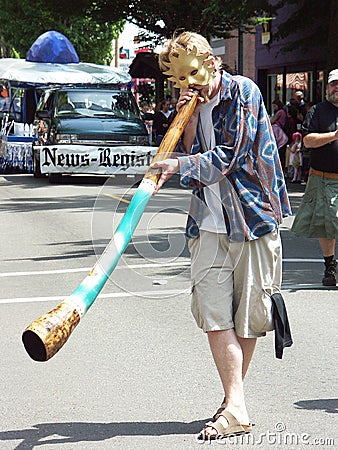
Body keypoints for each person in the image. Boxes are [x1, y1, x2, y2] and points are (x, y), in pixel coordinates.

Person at [150, 31, 292, 440]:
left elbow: (228, 157)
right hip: (208, 223)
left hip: (251, 218)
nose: (187, 85)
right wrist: (190, 122)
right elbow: (197, 160)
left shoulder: (243, 92)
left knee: (248, 318)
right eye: (179, 80)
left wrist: (176, 164)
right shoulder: (194, 104)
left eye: (192, 74)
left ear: (211, 62)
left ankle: (233, 405)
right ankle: (236, 405)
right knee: (214, 314)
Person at [292, 69, 338, 286]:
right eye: (333, 84)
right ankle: (330, 267)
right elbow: (308, 141)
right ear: (327, 88)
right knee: (326, 225)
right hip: (322, 177)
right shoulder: (318, 111)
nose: (336, 88)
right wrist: (335, 136)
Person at [270, 99, 288, 169]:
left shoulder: (280, 112)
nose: (274, 108)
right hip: (281, 131)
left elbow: (272, 121)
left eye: (274, 106)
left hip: (278, 132)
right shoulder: (284, 112)